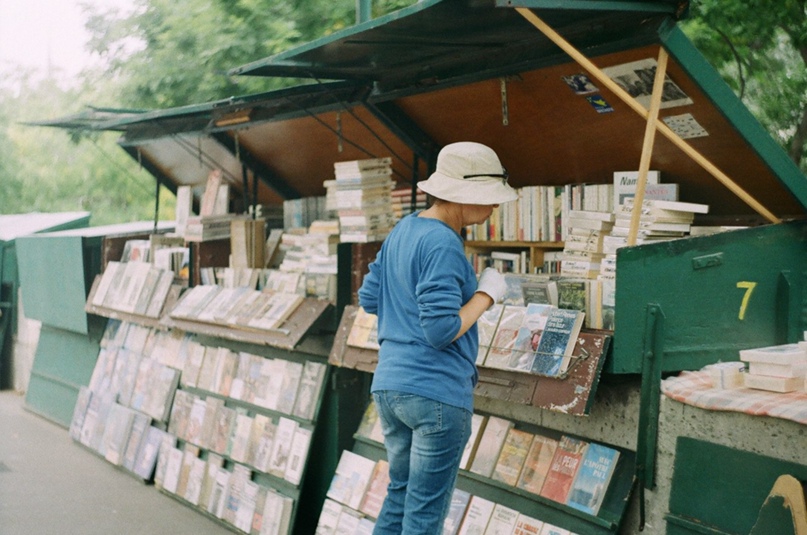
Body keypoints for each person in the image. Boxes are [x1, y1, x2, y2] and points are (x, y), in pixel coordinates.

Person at [358, 141, 518, 534]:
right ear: (465, 196)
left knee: (399, 497)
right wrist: (487, 294)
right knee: (425, 516)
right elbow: (441, 331)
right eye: (490, 198)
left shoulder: (404, 229)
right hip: (436, 394)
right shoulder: (445, 243)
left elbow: (368, 297)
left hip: (391, 385)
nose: (495, 207)